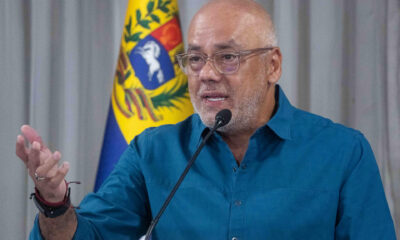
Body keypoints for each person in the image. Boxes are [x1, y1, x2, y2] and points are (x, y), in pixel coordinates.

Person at [16, 0, 396, 239]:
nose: (206, 74)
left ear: (273, 65)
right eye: (195, 59)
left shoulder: (343, 152)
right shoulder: (154, 151)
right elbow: (89, 236)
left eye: (228, 57)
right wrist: (55, 204)